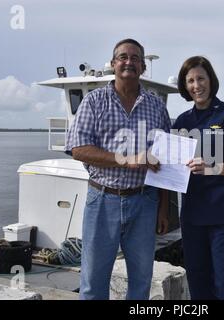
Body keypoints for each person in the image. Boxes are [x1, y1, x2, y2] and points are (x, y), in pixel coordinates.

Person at [65, 38, 171, 300]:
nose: (128, 62)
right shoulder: (93, 101)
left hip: (144, 201)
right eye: (123, 57)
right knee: (92, 280)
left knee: (142, 279)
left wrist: (164, 207)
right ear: (113, 64)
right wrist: (128, 158)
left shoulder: (157, 105)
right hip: (102, 200)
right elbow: (78, 149)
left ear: (143, 67)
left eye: (135, 58)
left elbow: (166, 161)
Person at [172, 56, 224, 300]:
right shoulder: (182, 121)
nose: (196, 85)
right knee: (198, 284)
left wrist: (211, 167)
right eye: (190, 81)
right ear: (184, 86)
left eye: (201, 78)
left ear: (211, 80)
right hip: (193, 218)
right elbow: (175, 167)